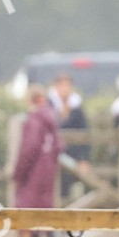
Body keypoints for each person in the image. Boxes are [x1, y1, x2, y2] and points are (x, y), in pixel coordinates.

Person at [13, 84, 64, 237]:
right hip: (47, 168)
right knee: (45, 205)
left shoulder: (34, 119)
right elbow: (58, 145)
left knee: (29, 206)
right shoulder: (50, 118)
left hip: (34, 170)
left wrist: (19, 171)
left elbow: (30, 147)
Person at [49, 73, 90, 201]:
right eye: (62, 85)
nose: (64, 89)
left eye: (67, 85)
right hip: (53, 158)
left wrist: (84, 158)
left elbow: (85, 134)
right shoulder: (49, 106)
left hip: (73, 158)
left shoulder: (77, 109)